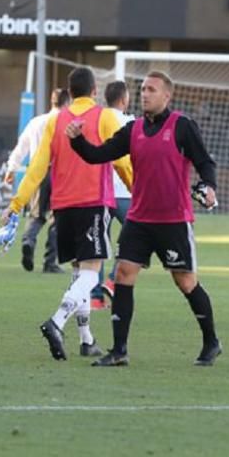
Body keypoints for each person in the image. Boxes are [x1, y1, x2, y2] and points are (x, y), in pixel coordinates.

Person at [66, 71, 221, 367]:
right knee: (123, 273)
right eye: (143, 89)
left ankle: (211, 341)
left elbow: (204, 162)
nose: (145, 94)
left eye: (151, 89)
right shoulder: (133, 129)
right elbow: (98, 155)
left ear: (167, 95)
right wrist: (77, 140)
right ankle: (119, 350)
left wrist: (209, 187)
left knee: (185, 282)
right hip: (139, 219)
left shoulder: (183, 126)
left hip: (173, 220)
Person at [0, 68, 133, 362]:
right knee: (92, 270)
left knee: (78, 270)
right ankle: (57, 322)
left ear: (70, 93)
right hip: (93, 202)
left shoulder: (55, 120)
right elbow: (121, 160)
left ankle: (86, 339)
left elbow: (37, 167)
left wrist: (17, 202)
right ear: (94, 91)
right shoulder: (105, 117)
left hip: (62, 207)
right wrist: (137, 188)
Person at [3, 87, 71, 274]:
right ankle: (50, 262)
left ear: (52, 101)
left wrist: (11, 168)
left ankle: (28, 241)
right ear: (67, 103)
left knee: (36, 214)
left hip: (37, 172)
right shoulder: (67, 122)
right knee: (57, 219)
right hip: (59, 173)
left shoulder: (36, 122)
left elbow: (21, 146)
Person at [90, 81, 134, 307]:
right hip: (127, 192)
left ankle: (95, 298)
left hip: (101, 192)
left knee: (97, 247)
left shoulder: (96, 119)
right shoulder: (133, 123)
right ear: (124, 99)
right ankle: (113, 280)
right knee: (137, 238)